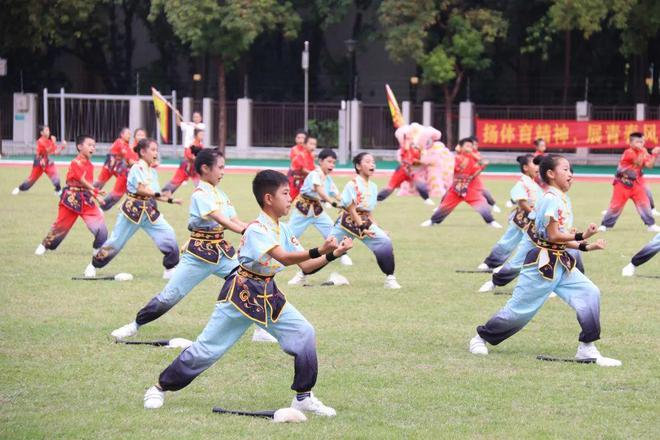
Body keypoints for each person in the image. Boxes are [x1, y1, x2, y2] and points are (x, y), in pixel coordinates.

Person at [142, 169, 352, 415]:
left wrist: (333, 254)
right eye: (285, 193)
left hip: (268, 292)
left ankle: (303, 397)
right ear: (268, 199)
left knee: (304, 332)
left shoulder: (283, 229)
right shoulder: (256, 229)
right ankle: (158, 388)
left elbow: (305, 266)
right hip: (240, 294)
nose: (290, 197)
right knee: (206, 350)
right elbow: (284, 257)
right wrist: (319, 249)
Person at [469, 154, 621, 367]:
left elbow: (561, 238)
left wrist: (587, 246)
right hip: (541, 266)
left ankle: (587, 348)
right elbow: (552, 236)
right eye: (566, 169)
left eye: (571, 170)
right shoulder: (550, 199)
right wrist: (582, 236)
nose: (571, 174)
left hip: (561, 262)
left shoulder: (561, 199)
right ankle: (480, 338)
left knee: (589, 293)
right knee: (519, 312)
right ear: (551, 174)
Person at [110, 148, 272, 341]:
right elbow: (225, 222)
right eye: (220, 167)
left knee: (251, 282)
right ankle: (134, 325)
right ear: (205, 168)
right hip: (198, 255)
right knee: (169, 296)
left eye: (224, 167)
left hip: (222, 253)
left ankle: (261, 331)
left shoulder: (221, 195)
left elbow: (236, 220)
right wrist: (249, 232)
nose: (223, 172)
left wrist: (259, 230)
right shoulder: (200, 194)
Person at [85, 138, 182, 279]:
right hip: (132, 211)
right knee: (115, 242)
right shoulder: (137, 168)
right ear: (143, 152)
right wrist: (159, 194)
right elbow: (141, 189)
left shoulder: (152, 172)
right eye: (153, 150)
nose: (156, 153)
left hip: (149, 211)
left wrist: (172, 200)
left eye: (157, 150)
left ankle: (170, 269)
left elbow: (154, 194)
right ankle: (93, 265)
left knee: (168, 234)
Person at [330, 153, 402, 289]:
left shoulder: (373, 187)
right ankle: (303, 273)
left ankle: (390, 278)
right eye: (368, 162)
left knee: (384, 241)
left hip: (364, 222)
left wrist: (378, 228)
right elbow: (351, 208)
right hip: (347, 221)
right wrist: (362, 227)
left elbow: (368, 212)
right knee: (328, 248)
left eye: (373, 162)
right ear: (358, 166)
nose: (372, 165)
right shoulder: (352, 184)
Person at [34, 135, 107, 256]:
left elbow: (87, 184)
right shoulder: (75, 163)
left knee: (101, 229)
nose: (92, 148)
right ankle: (44, 245)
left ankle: (97, 252)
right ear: (79, 147)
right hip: (71, 199)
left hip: (86, 199)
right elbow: (82, 180)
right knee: (60, 227)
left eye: (94, 145)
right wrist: (95, 190)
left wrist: (96, 196)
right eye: (89, 145)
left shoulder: (91, 166)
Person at [288, 148, 352, 285]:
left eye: (334, 163)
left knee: (332, 232)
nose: (331, 165)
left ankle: (343, 254)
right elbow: (321, 191)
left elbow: (336, 194)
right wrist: (333, 203)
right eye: (329, 161)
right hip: (302, 210)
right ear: (320, 161)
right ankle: (273, 256)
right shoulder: (314, 174)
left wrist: (348, 204)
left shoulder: (328, 179)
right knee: (289, 236)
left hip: (317, 210)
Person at [477, 155, 543, 272]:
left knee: (531, 245)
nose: (538, 167)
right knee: (507, 242)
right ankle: (490, 263)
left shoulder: (535, 184)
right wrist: (533, 214)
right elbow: (521, 202)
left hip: (534, 220)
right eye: (534, 164)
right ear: (526, 167)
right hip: (522, 219)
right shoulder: (522, 183)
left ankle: (528, 267)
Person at [421, 138, 502, 228]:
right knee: (445, 206)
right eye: (467, 146)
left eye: (471, 146)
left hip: (469, 189)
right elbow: (456, 169)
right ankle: (432, 221)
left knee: (482, 204)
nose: (469, 148)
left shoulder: (473, 158)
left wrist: (479, 168)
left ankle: (491, 221)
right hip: (456, 189)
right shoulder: (456, 158)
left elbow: (478, 170)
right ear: (461, 147)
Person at [599, 132, 660, 232]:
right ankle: (605, 225)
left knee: (644, 203)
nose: (641, 144)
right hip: (622, 183)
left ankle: (651, 225)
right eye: (638, 142)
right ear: (631, 143)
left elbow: (649, 165)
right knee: (616, 206)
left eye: (642, 141)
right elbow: (638, 162)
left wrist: (655, 155)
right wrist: (642, 152)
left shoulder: (643, 151)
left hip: (636, 184)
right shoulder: (629, 152)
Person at [377, 123, 438, 206]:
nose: (409, 140)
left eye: (410, 138)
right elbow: (403, 155)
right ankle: (377, 200)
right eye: (408, 138)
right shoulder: (404, 149)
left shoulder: (417, 150)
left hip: (412, 170)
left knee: (420, 184)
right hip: (402, 170)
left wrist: (422, 162)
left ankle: (427, 199)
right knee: (390, 187)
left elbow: (420, 161)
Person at [12, 125, 65, 196]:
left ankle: (58, 190)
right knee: (31, 180)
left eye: (48, 130)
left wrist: (62, 147)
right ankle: (19, 188)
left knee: (55, 175)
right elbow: (47, 150)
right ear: (41, 133)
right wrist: (54, 142)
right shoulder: (40, 141)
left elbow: (55, 153)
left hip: (47, 160)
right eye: (46, 130)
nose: (48, 132)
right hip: (39, 161)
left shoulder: (50, 140)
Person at [101, 128, 146, 210]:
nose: (141, 137)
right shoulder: (131, 147)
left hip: (136, 177)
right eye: (139, 135)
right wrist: (140, 164)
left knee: (138, 195)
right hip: (126, 175)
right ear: (135, 137)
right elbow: (129, 161)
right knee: (116, 195)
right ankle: (101, 208)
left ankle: (126, 209)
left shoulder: (145, 150)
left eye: (143, 135)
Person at [162, 128, 204, 194]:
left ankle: (203, 195)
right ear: (196, 136)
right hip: (186, 166)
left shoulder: (201, 146)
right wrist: (195, 158)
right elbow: (189, 155)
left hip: (194, 167)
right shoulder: (192, 145)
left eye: (203, 134)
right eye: (200, 134)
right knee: (177, 180)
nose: (202, 135)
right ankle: (165, 192)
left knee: (199, 183)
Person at [470, 136, 501, 213]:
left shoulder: (477, 154)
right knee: (452, 192)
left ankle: (493, 205)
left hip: (473, 179)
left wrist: (482, 166)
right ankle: (441, 207)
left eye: (477, 144)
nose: (475, 146)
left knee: (484, 192)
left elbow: (479, 167)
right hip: (463, 178)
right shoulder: (465, 153)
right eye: (474, 144)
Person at [288, 133, 316, 200]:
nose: (313, 146)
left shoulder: (311, 155)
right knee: (289, 199)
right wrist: (315, 174)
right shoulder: (300, 154)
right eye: (311, 144)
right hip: (295, 180)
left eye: (314, 144)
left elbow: (312, 166)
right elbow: (303, 170)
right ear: (305, 144)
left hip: (303, 180)